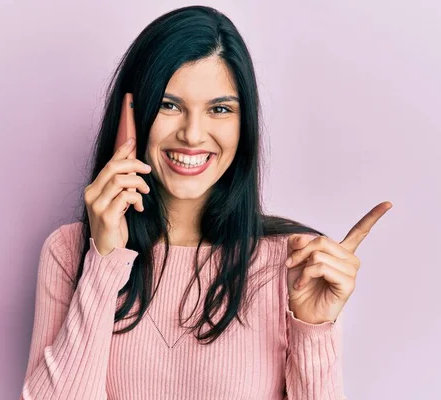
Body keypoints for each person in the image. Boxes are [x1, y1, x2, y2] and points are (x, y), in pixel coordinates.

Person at [20, 5, 391, 399]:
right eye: (169, 105)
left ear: (243, 123)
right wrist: (104, 261)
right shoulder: (69, 252)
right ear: (132, 115)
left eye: (219, 109)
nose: (193, 135)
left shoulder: (293, 259)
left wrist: (312, 330)